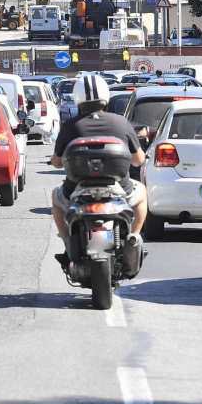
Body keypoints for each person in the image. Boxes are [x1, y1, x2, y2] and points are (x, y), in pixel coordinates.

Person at [50, 74, 147, 265]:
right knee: (142, 193)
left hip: (76, 190)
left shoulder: (70, 126)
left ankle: (68, 242)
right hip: (119, 188)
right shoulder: (121, 122)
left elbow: (57, 161)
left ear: (78, 98)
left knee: (55, 198)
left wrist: (55, 161)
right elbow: (138, 161)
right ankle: (134, 235)